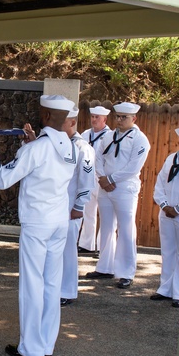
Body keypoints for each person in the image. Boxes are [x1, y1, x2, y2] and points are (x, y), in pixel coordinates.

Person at [0, 95, 77, 356]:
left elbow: (3, 178)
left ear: (44, 116)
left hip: (37, 222)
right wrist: (29, 146)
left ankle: (31, 348)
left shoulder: (36, 149)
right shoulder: (70, 146)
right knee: (52, 285)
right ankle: (46, 345)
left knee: (32, 284)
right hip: (58, 221)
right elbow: (46, 165)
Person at [84, 102, 150, 288]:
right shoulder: (110, 136)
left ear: (134, 119)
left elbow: (133, 167)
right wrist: (102, 177)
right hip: (105, 186)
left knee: (126, 229)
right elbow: (97, 157)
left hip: (124, 188)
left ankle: (126, 272)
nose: (119, 120)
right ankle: (105, 267)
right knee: (106, 227)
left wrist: (111, 178)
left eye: (124, 117)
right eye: (118, 117)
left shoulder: (140, 139)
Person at [150, 125, 179, 308]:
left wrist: (178, 207)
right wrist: (164, 205)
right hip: (166, 211)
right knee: (168, 251)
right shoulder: (172, 158)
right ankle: (165, 288)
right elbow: (160, 182)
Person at [61, 107, 95, 306]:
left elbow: (86, 180)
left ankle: (67, 290)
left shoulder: (83, 148)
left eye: (62, 121)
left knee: (67, 251)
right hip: (57, 207)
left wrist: (79, 206)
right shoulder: (59, 144)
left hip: (71, 208)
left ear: (72, 122)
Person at [77, 104, 110, 254]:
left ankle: (102, 247)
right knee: (88, 212)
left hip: (102, 178)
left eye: (97, 117)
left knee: (105, 214)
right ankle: (86, 244)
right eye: (92, 116)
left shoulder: (110, 136)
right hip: (87, 176)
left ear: (105, 119)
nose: (94, 119)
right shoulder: (85, 134)